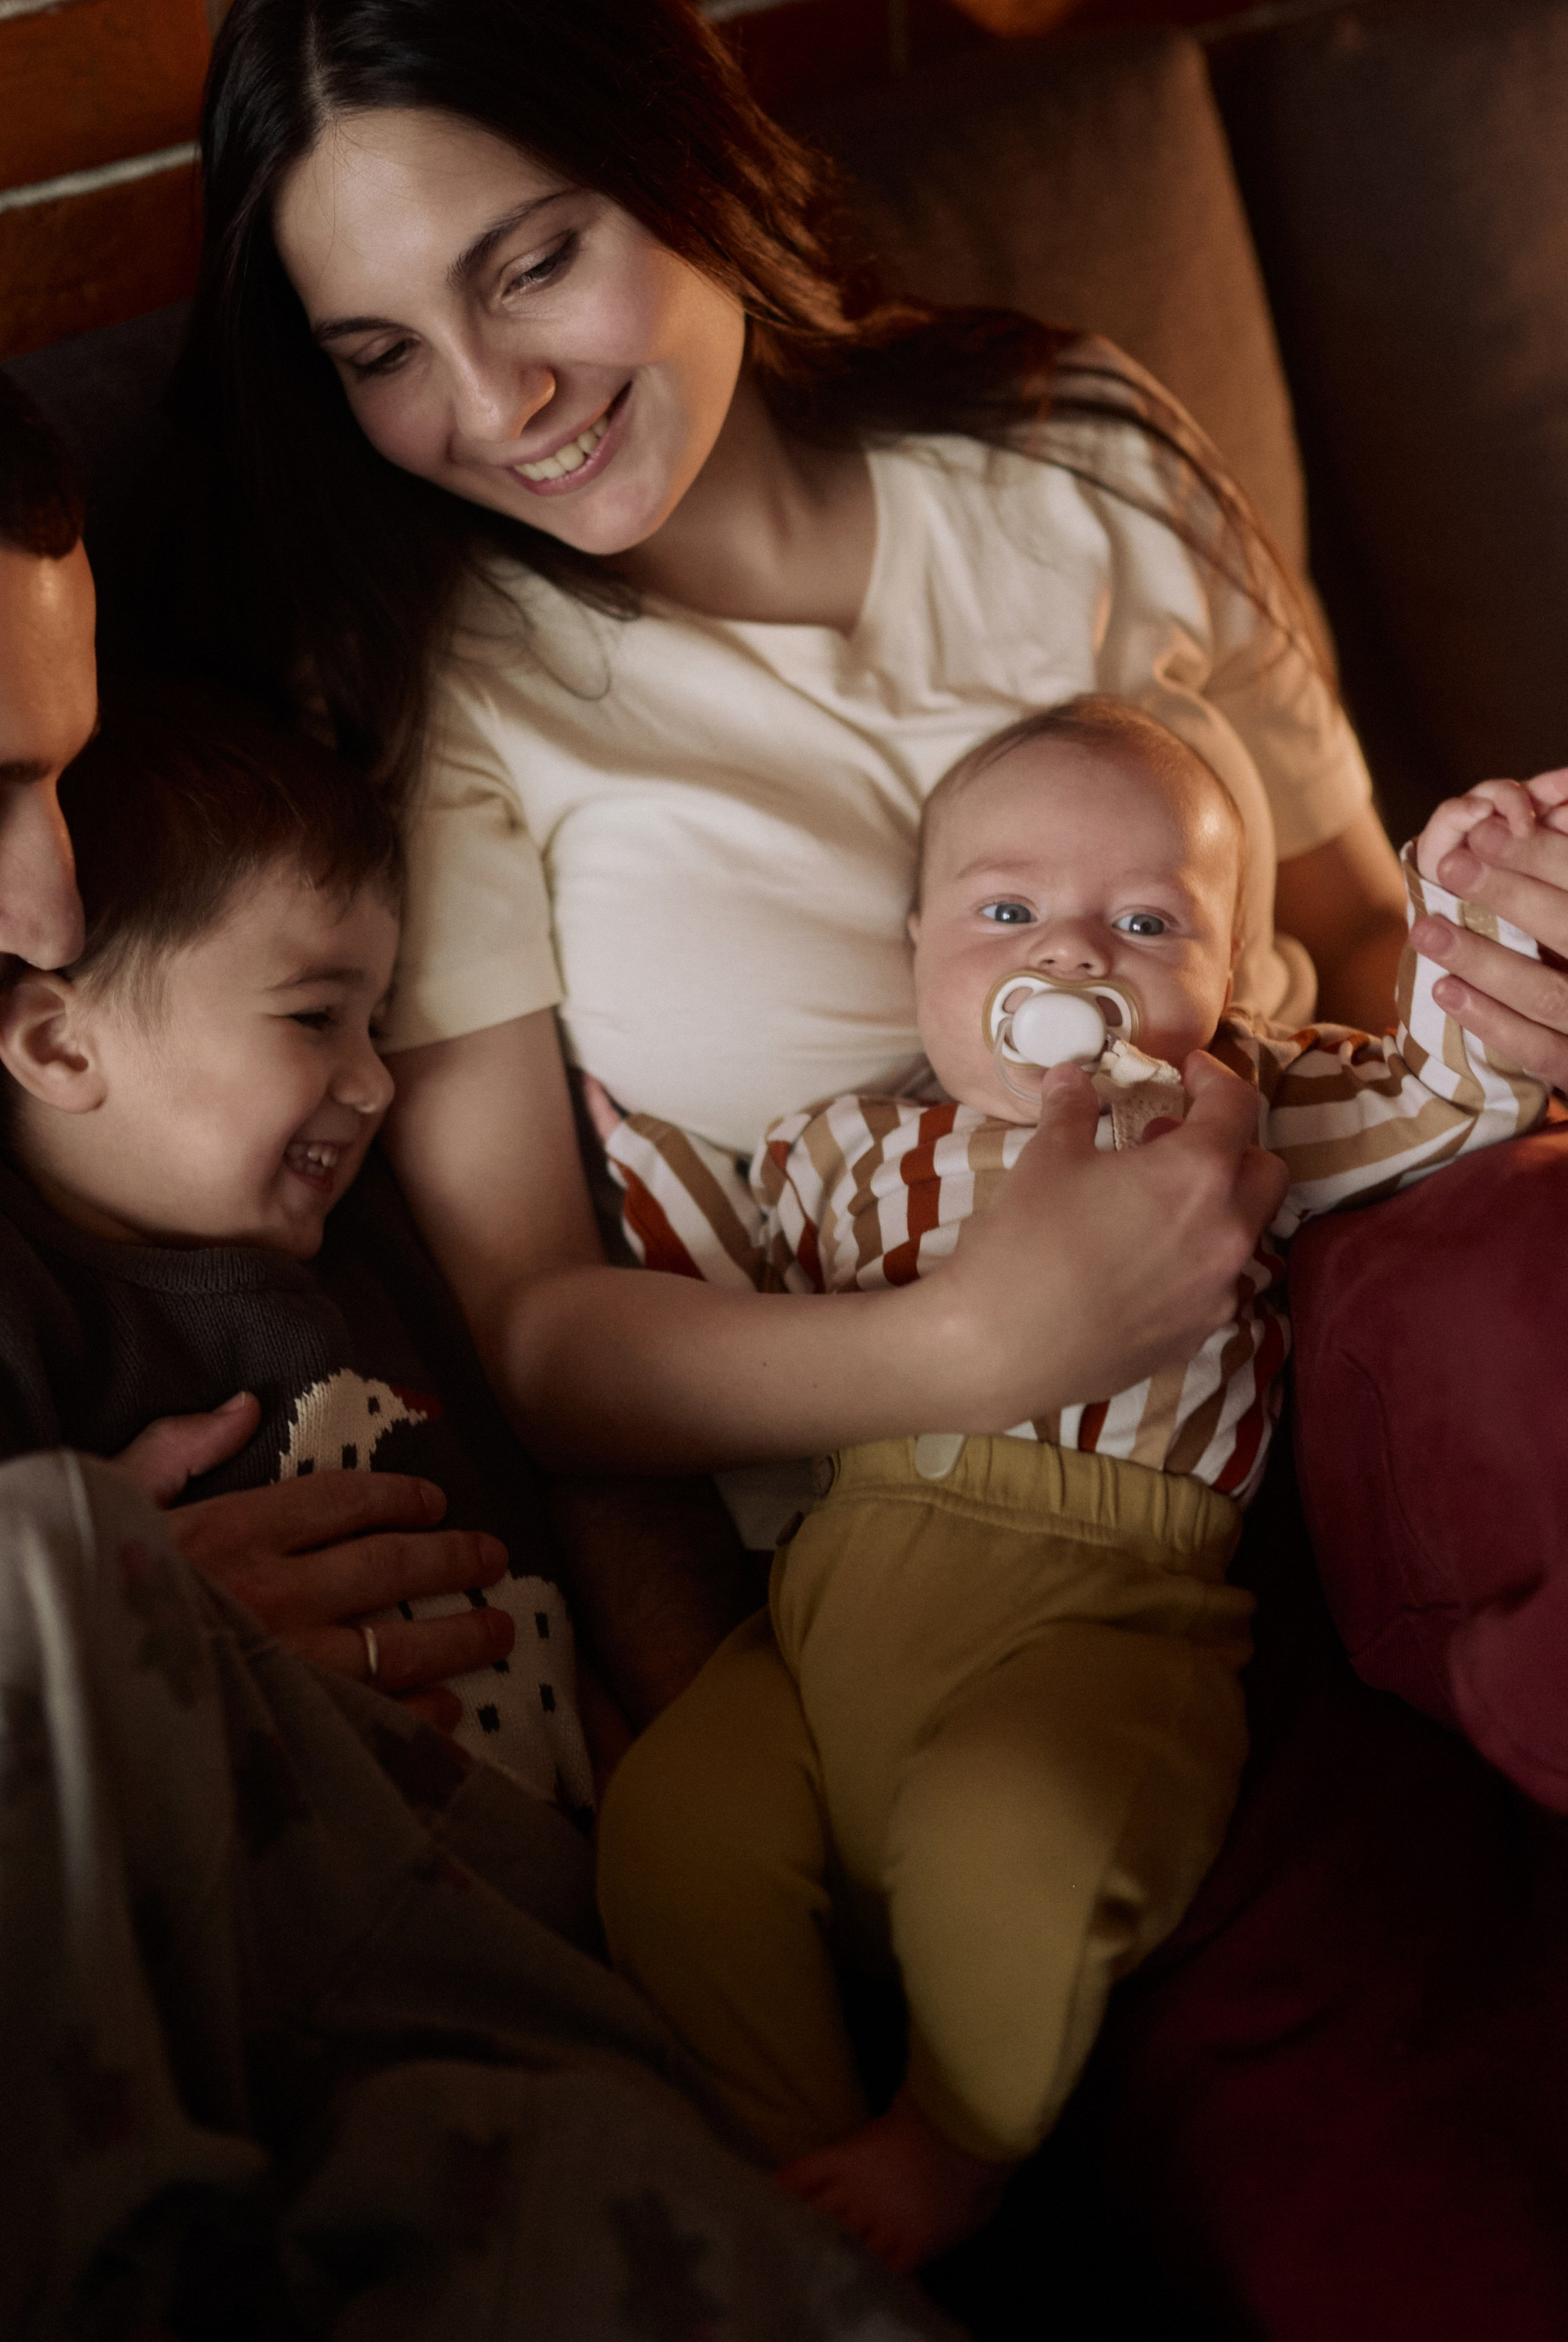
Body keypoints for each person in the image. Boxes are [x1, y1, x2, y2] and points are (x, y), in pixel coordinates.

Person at [0, 245, 955, 2342]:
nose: (50, 915)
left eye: (51, 787)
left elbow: (494, 1362)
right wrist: (118, 1673)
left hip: (458, 1986)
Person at [166, 0, 1568, 1722]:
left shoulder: (1082, 447)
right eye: (384, 355)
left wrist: (1512, 981)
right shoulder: (453, 697)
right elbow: (544, 1336)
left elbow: (1344, 935)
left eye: (534, 263)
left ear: (678, 154)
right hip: (967, 1525)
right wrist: (972, 1341)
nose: (495, 403)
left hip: (1357, 1290)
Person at [587, 698, 1549, 2271]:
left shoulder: (1236, 1112)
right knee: (675, 1829)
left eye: (1145, 920)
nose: (1071, 958)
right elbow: (712, 1297)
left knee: (1016, 1827)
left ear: (1231, 978)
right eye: (1006, 912)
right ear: (913, 952)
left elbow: (1450, 1096)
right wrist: (629, 1146)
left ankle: (951, 2139)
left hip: (1102, 1616)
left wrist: (1464, 919)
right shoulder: (835, 1146)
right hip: (826, 1613)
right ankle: (782, 2164)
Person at [0, 679, 591, 1809]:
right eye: (313, 1015)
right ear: (59, 1046)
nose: (378, 1082)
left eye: (377, 1023)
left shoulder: (374, 1247)